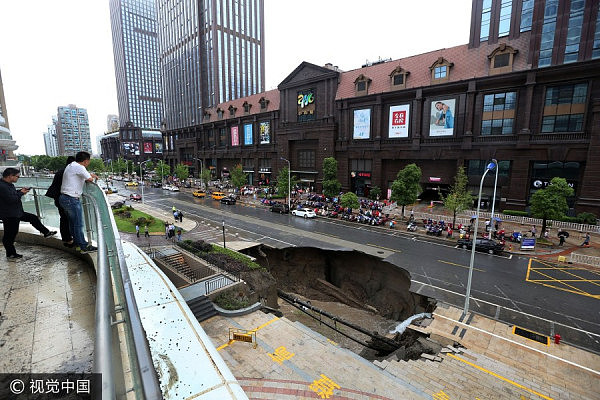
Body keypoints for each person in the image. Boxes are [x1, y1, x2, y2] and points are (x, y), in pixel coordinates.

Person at [0, 168, 57, 260]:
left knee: (32, 218)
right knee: (9, 235)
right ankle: (11, 254)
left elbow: (12, 195)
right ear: (10, 176)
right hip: (10, 215)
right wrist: (21, 193)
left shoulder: (8, 185)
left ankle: (46, 232)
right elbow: (11, 199)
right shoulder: (2, 186)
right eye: (17, 176)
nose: (18, 178)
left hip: (16, 212)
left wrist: (20, 191)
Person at [58, 151, 99, 253]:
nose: (88, 163)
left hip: (64, 198)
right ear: (85, 161)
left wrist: (89, 175)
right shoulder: (80, 167)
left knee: (73, 223)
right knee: (78, 224)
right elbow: (89, 179)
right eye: (88, 161)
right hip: (71, 199)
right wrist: (92, 176)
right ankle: (83, 246)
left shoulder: (71, 165)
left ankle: (77, 244)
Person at [45, 156, 75, 247]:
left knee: (64, 218)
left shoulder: (62, 170)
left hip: (58, 197)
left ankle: (67, 239)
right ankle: (68, 239)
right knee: (67, 219)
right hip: (61, 198)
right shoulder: (67, 172)